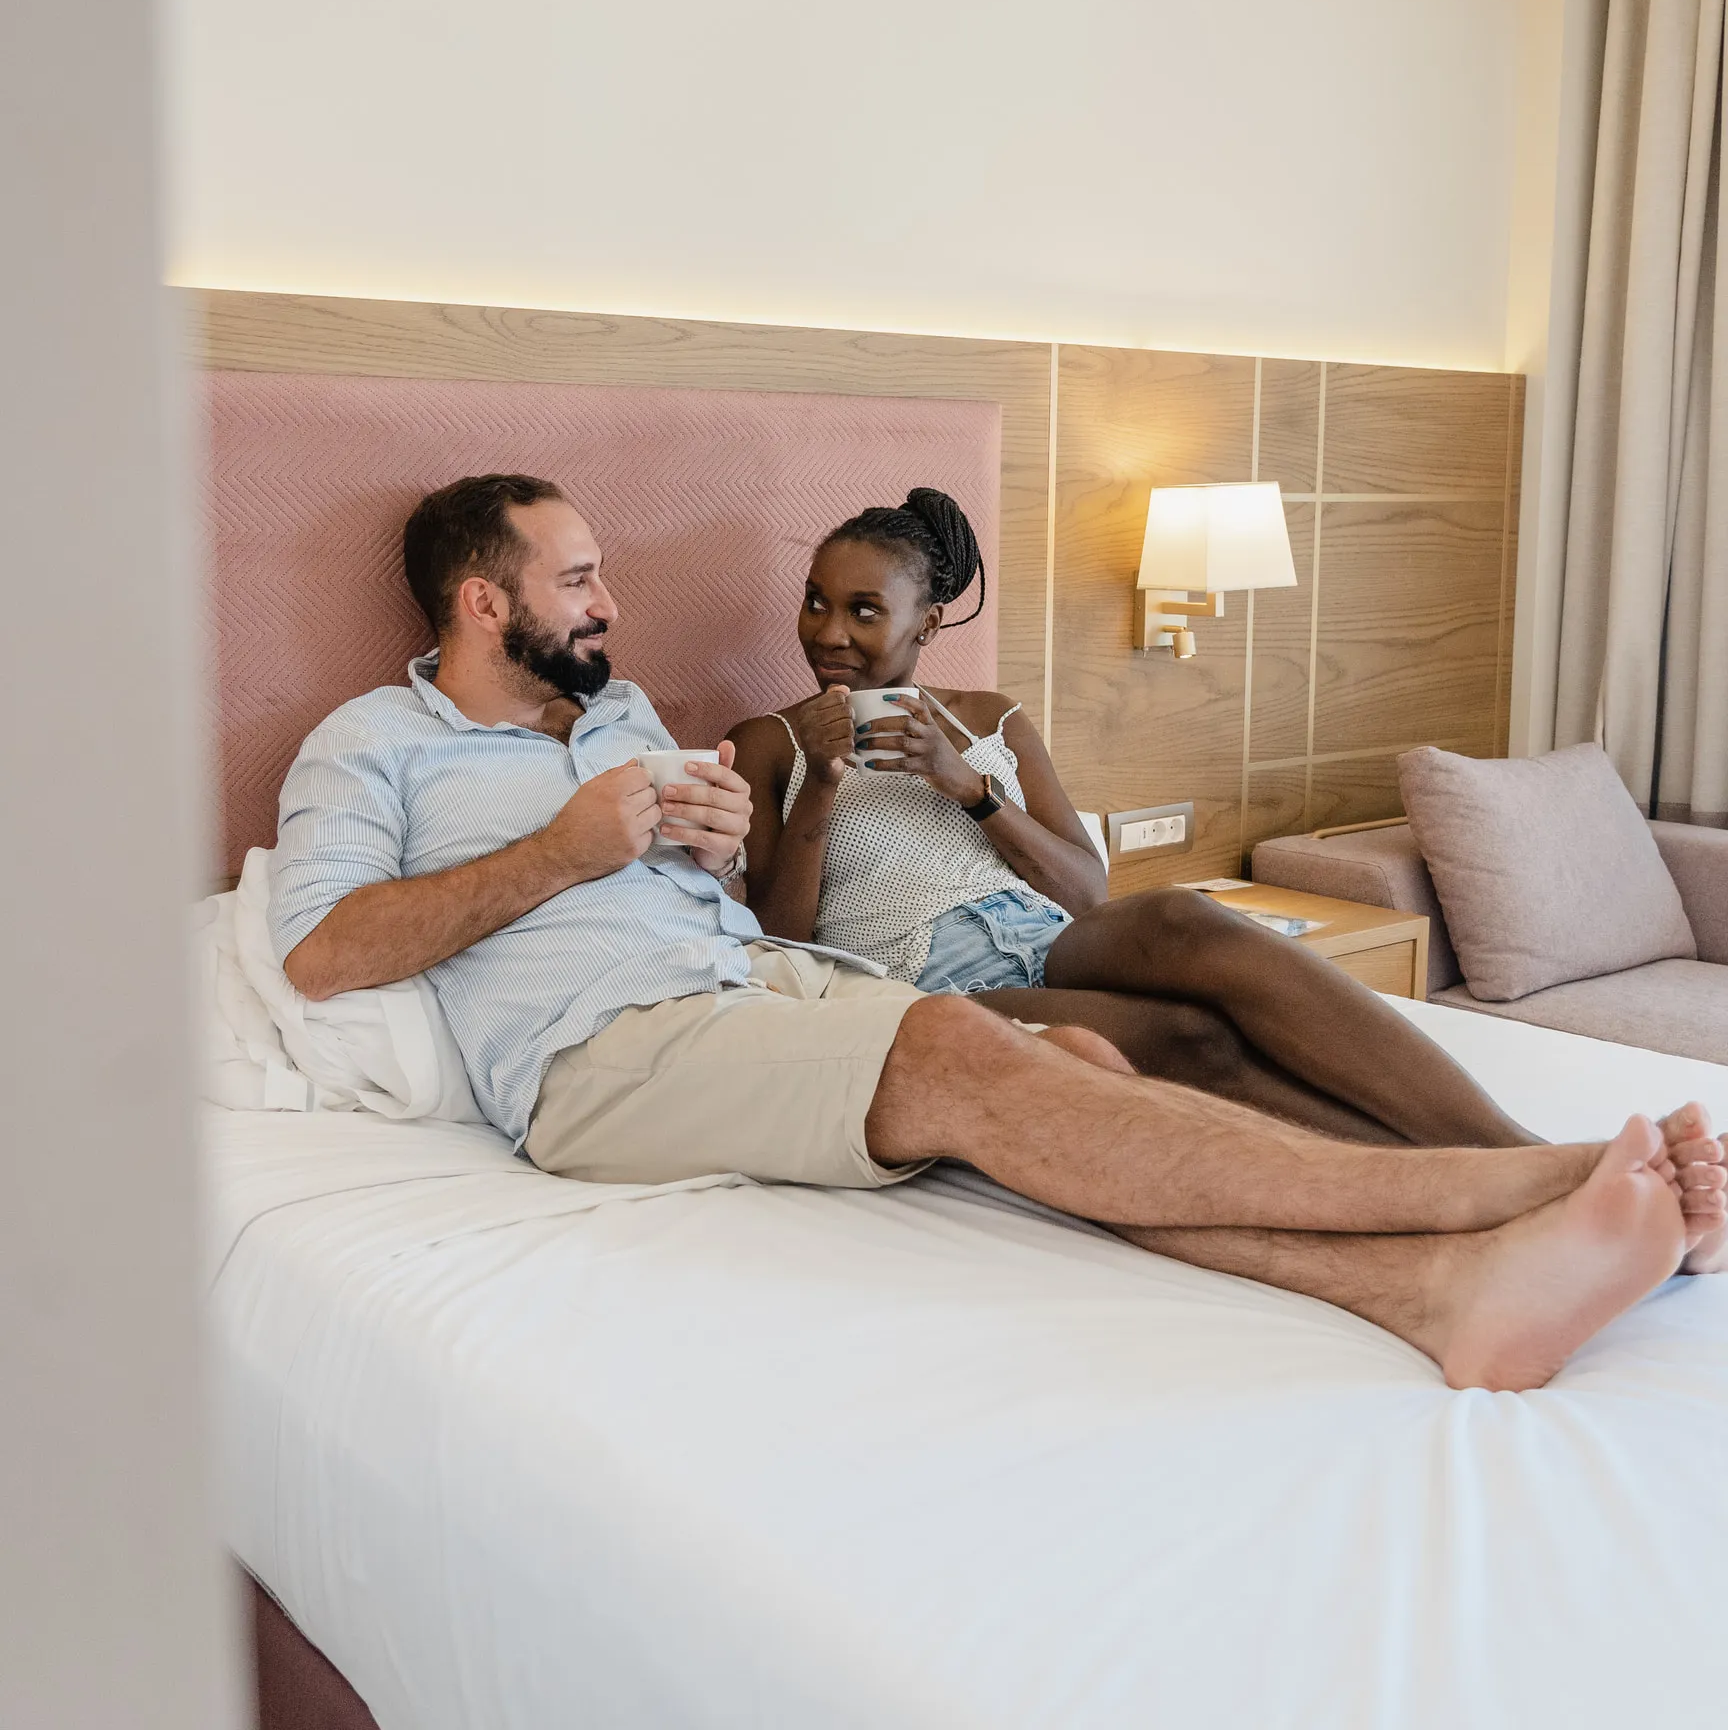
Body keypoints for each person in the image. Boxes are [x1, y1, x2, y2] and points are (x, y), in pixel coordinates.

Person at [270, 473, 1727, 1394]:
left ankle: (1438, 1295)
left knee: (1080, 1056)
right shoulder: (372, 743)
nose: (614, 601)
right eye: (580, 577)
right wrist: (567, 850)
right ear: (485, 601)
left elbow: (746, 898)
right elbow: (319, 955)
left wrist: (702, 845)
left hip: (765, 982)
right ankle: (1511, 1188)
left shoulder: (627, 717)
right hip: (605, 1051)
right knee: (970, 1054)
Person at [729, 489, 1529, 1152]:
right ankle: (1463, 1178)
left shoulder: (991, 718)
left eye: (864, 611)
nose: (829, 633)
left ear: (927, 623)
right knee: (1189, 1035)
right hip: (932, 979)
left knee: (1184, 915)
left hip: (1055, 938)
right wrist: (822, 784)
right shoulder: (770, 742)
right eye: (816, 602)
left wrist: (969, 787)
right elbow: (781, 942)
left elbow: (1087, 893)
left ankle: (1512, 1147)